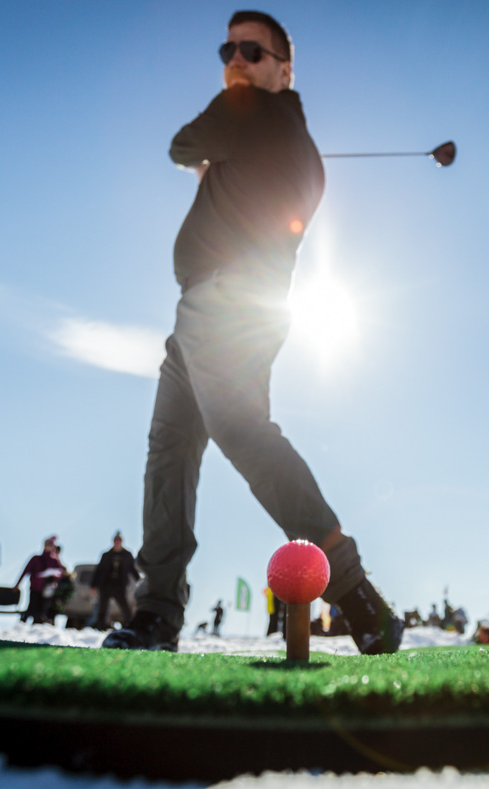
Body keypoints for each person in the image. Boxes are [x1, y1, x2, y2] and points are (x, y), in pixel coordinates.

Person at [104, 11, 402, 656]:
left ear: (285, 70)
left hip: (224, 301)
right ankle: (157, 612)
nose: (236, 59)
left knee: (234, 431)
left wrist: (212, 153)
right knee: (171, 452)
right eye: (228, 48)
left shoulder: (243, 111)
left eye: (252, 51)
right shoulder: (297, 146)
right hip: (237, 308)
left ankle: (355, 593)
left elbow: (181, 146)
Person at [91, 531, 139, 630]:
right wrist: (93, 585)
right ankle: (101, 626)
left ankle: (129, 626)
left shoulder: (127, 555)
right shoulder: (106, 555)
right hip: (106, 584)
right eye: (116, 540)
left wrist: (139, 580)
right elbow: (98, 570)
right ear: (113, 541)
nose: (117, 542)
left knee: (125, 607)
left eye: (119, 540)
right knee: (103, 606)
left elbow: (132, 569)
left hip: (119, 585)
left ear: (122, 541)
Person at [17, 536, 67, 625]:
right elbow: (25, 571)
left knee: (41, 613)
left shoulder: (55, 560)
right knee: (31, 609)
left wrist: (54, 576)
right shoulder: (36, 558)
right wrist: (17, 584)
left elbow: (61, 573)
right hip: (35, 588)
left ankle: (36, 630)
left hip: (47, 590)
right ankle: (21, 627)